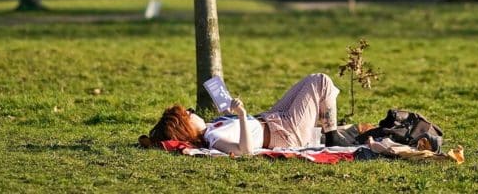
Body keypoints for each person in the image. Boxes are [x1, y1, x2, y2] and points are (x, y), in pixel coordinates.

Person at [140, 73, 346, 155]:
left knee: (310, 80)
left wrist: (231, 113)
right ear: (186, 127)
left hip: (273, 118)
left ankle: (330, 129)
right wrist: (240, 114)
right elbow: (244, 150)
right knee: (320, 81)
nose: (192, 112)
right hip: (285, 132)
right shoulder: (214, 138)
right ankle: (332, 138)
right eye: (189, 113)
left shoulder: (212, 128)